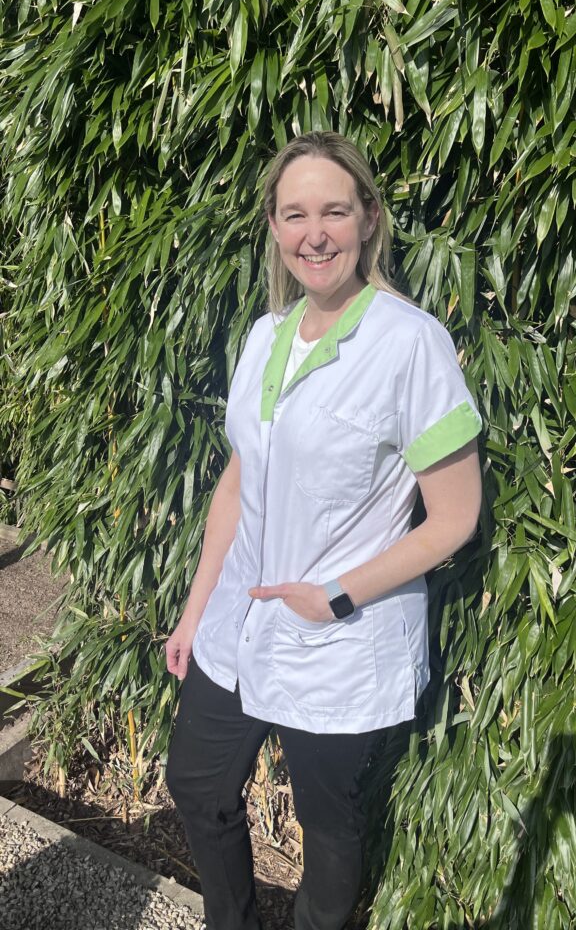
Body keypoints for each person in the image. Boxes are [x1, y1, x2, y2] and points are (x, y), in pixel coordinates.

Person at [165, 132, 482, 930]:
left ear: (369, 219)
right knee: (197, 786)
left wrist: (334, 596)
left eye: (334, 212)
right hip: (239, 624)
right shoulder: (264, 335)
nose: (315, 234)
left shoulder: (410, 344)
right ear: (274, 226)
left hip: (339, 639)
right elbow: (239, 479)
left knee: (329, 832)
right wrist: (196, 610)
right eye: (295, 214)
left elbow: (455, 516)